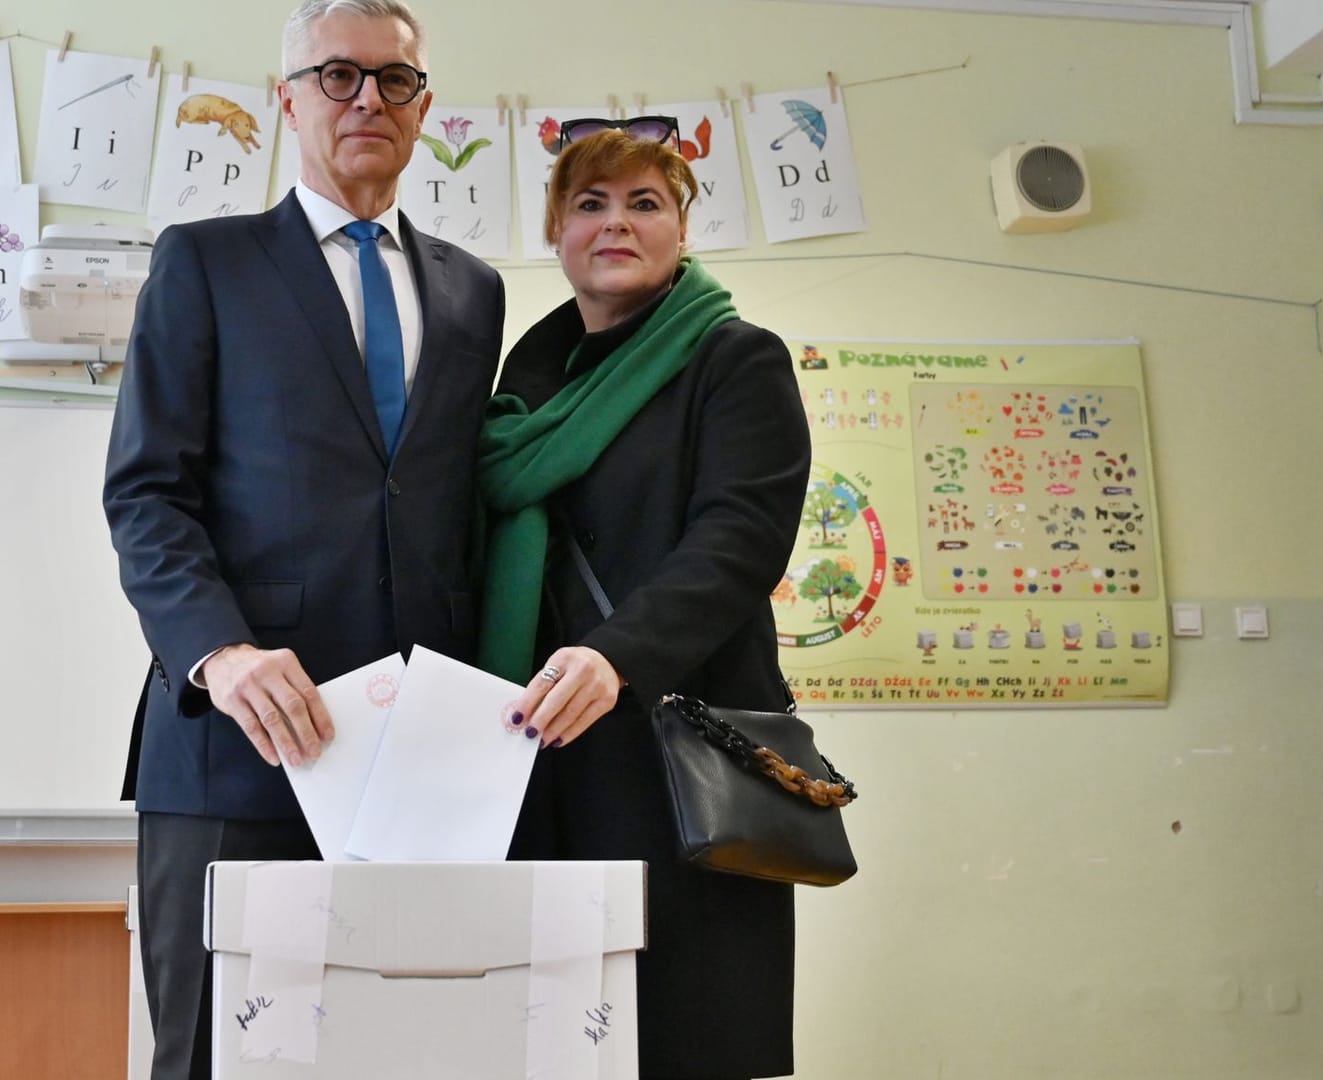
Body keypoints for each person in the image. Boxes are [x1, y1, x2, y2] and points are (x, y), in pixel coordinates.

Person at [102, 1, 504, 1076]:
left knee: (400, 1055)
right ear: (288, 100)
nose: (368, 98)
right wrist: (220, 653)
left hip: (416, 762)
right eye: (337, 76)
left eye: (395, 80)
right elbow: (147, 494)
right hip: (236, 750)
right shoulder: (206, 264)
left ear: (424, 110)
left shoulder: (475, 293)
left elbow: (452, 508)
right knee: (214, 1058)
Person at [479, 119, 812, 1080]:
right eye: (590, 203)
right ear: (557, 231)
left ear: (681, 232)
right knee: (547, 1040)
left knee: (686, 1035)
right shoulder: (521, 393)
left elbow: (738, 540)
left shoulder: (733, 359)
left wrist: (617, 655)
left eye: (643, 203)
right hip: (535, 760)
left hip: (674, 756)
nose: (615, 222)